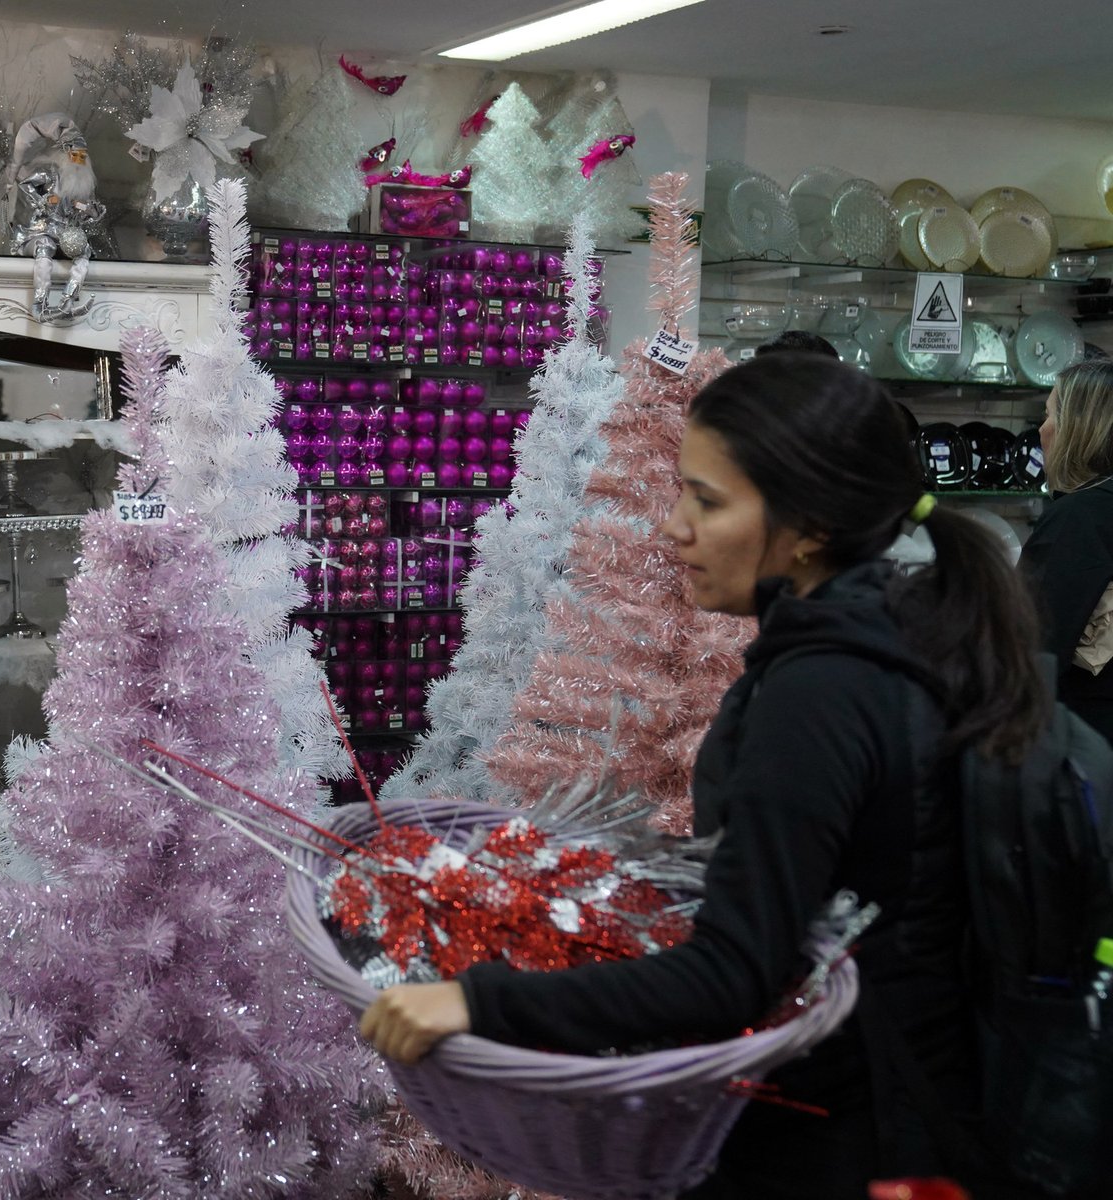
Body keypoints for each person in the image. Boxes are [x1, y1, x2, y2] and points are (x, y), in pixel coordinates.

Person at [360, 353, 1051, 1198]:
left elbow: (733, 974)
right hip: (898, 1103)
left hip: (849, 1139)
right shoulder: (891, 636)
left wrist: (476, 1005)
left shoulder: (822, 691)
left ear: (810, 526)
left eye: (709, 501)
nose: (673, 527)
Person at [1018, 359, 1113, 743]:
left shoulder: (1080, 517)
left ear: (1079, 428)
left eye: (1050, 412)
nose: (1042, 429)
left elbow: (1033, 642)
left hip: (1084, 736)